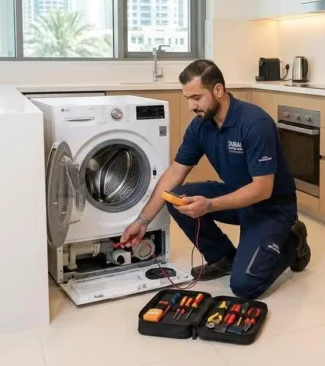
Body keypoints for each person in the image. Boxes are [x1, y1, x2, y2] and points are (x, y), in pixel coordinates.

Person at [120, 59, 311, 299]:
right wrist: (143, 220)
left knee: (244, 286)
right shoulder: (200, 125)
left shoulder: (254, 123)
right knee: (177, 198)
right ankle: (224, 257)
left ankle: (293, 242)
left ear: (218, 90)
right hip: (236, 196)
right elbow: (175, 173)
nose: (190, 106)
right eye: (187, 98)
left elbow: (262, 189)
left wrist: (209, 205)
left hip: (272, 207)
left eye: (196, 98)